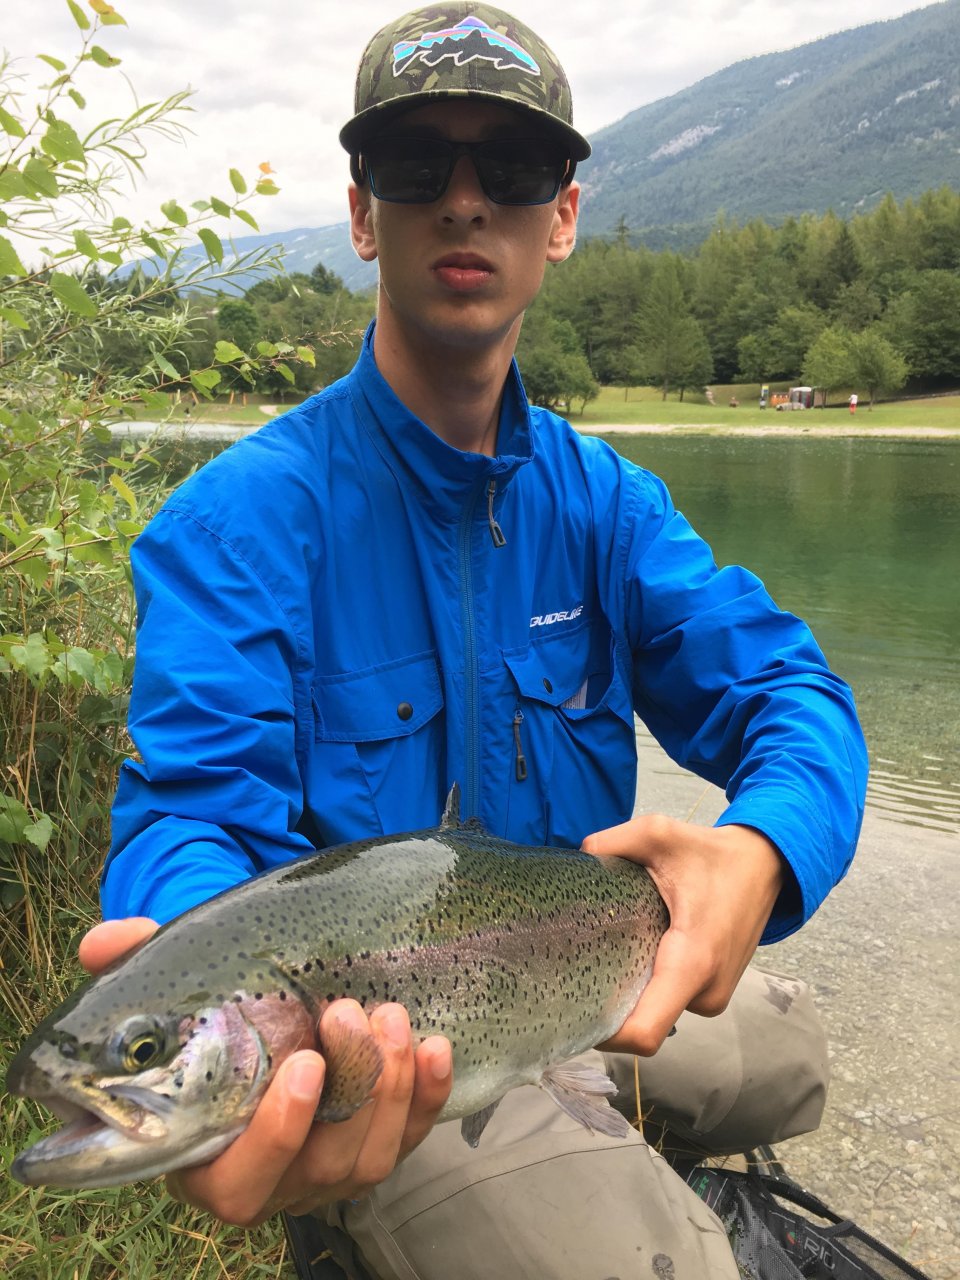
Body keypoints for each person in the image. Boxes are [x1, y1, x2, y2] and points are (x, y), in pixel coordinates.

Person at [81, 5, 868, 1276]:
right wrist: (207, 1023)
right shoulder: (234, 525)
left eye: (508, 171)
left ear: (559, 216)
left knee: (790, 1052)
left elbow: (792, 690)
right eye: (414, 168)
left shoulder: (606, 502)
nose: (463, 203)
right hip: (394, 1058)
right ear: (360, 212)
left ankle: (591, 1126)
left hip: (570, 968)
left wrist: (761, 853)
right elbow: (189, 815)